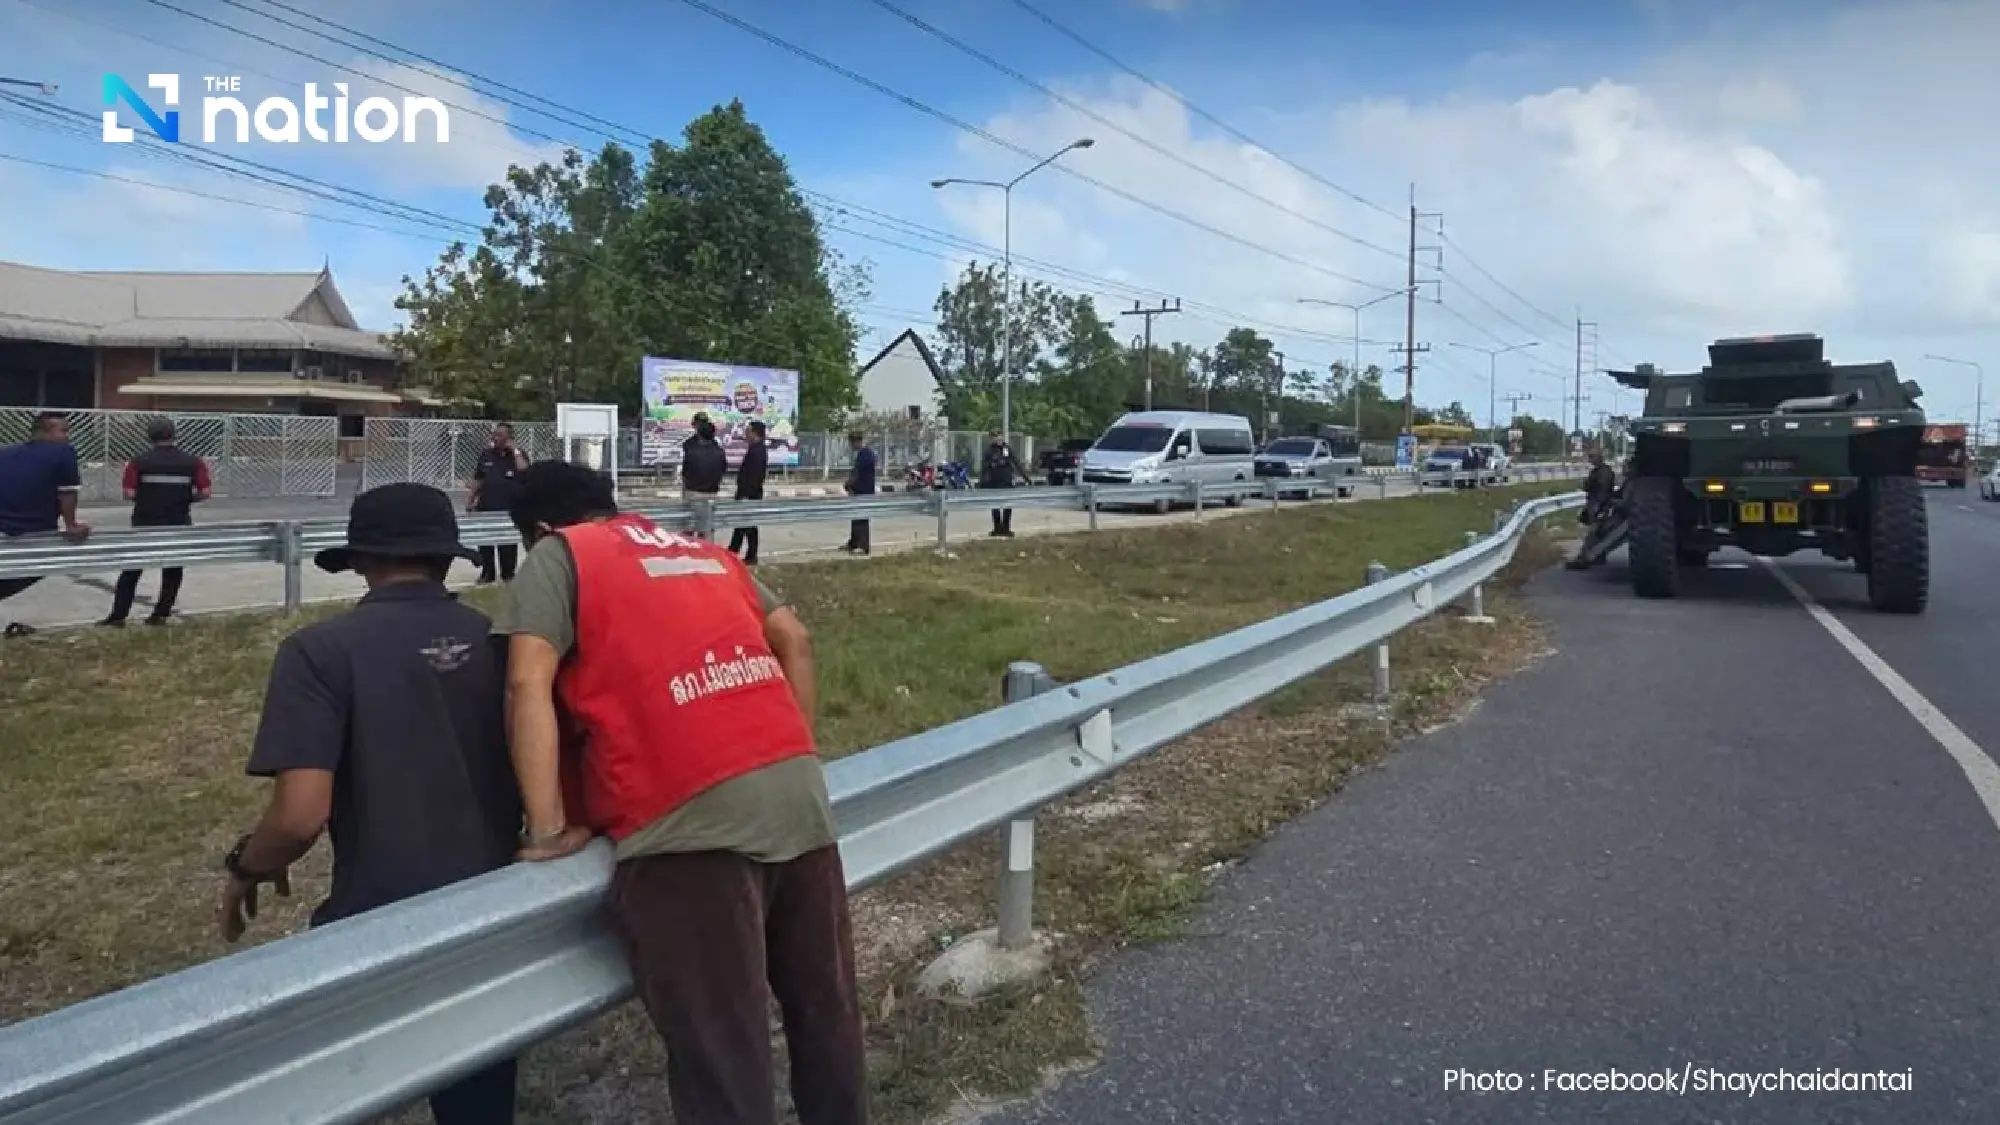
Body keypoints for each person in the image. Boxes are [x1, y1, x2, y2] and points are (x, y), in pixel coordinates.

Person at [497, 460, 867, 1125]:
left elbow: (527, 682)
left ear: (541, 528)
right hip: (797, 793)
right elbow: (795, 638)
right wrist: (787, 750)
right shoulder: (700, 550)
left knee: (724, 1052)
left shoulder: (559, 554)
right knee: (826, 1014)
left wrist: (547, 827)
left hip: (686, 820)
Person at [218, 482, 522, 1124]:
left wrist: (247, 865)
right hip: (495, 909)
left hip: (377, 916)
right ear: (448, 558)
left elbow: (300, 817)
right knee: (478, 1103)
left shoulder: (319, 653)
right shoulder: (502, 643)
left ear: (360, 560)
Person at [102, 418, 211, 627]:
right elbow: (205, 492)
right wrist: (184, 498)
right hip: (178, 521)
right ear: (174, 435)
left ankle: (118, 616)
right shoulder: (193, 462)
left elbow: (128, 493)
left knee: (132, 569)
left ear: (149, 436)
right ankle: (160, 614)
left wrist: (148, 498)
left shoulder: (138, 462)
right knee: (172, 569)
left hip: (145, 521)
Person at [0, 412, 90, 638]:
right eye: (63, 431)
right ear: (42, 431)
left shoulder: (6, 454)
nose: (68, 436)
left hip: (5, 527)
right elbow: (67, 492)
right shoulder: (63, 453)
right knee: (43, 565)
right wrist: (72, 525)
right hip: (35, 528)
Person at [468, 423, 529, 585]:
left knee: (507, 544)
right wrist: (471, 500)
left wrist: (515, 451)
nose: (495, 438)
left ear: (509, 438)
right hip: (487, 505)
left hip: (509, 507)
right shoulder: (487, 455)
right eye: (494, 435)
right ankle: (487, 574)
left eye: (500, 435)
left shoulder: (518, 455)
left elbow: (524, 470)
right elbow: (478, 478)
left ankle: (508, 574)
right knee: (486, 543)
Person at [729, 419, 769, 566]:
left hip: (750, 494)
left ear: (754, 433)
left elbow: (755, 476)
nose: (746, 433)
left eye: (748, 430)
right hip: (748, 493)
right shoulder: (755, 448)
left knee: (747, 525)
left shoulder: (758, 451)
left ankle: (742, 553)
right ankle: (737, 552)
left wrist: (746, 495)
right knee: (745, 525)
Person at [978, 430, 1031, 538]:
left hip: (1007, 481)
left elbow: (1016, 462)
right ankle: (997, 528)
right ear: (992, 439)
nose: (999, 440)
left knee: (1007, 505)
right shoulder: (989, 451)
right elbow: (984, 466)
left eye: (1000, 437)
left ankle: (1006, 528)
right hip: (994, 482)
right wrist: (983, 479)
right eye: (996, 438)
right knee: (995, 506)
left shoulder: (1007, 448)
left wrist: (1026, 478)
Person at [841, 431, 875, 556]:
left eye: (851, 443)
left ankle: (863, 546)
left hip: (863, 490)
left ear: (856, 442)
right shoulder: (865, 453)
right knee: (856, 518)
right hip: (860, 490)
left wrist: (848, 484)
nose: (851, 446)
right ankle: (853, 543)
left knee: (861, 519)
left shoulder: (865, 454)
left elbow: (857, 473)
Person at [681, 413, 728, 502]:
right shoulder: (689, 443)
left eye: (703, 423)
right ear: (694, 425)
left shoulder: (716, 446)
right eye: (699, 423)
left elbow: (685, 471)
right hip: (694, 489)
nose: (700, 425)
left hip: (706, 490)